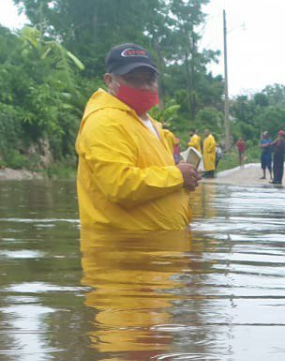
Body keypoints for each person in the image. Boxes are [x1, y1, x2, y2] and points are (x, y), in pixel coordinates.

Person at [74, 43, 201, 232]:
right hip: (124, 251)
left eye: (149, 80)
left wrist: (183, 179)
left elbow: (158, 178)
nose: (144, 87)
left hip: (160, 249)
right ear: (110, 81)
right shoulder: (105, 121)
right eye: (133, 80)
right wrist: (177, 176)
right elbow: (120, 185)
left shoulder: (148, 123)